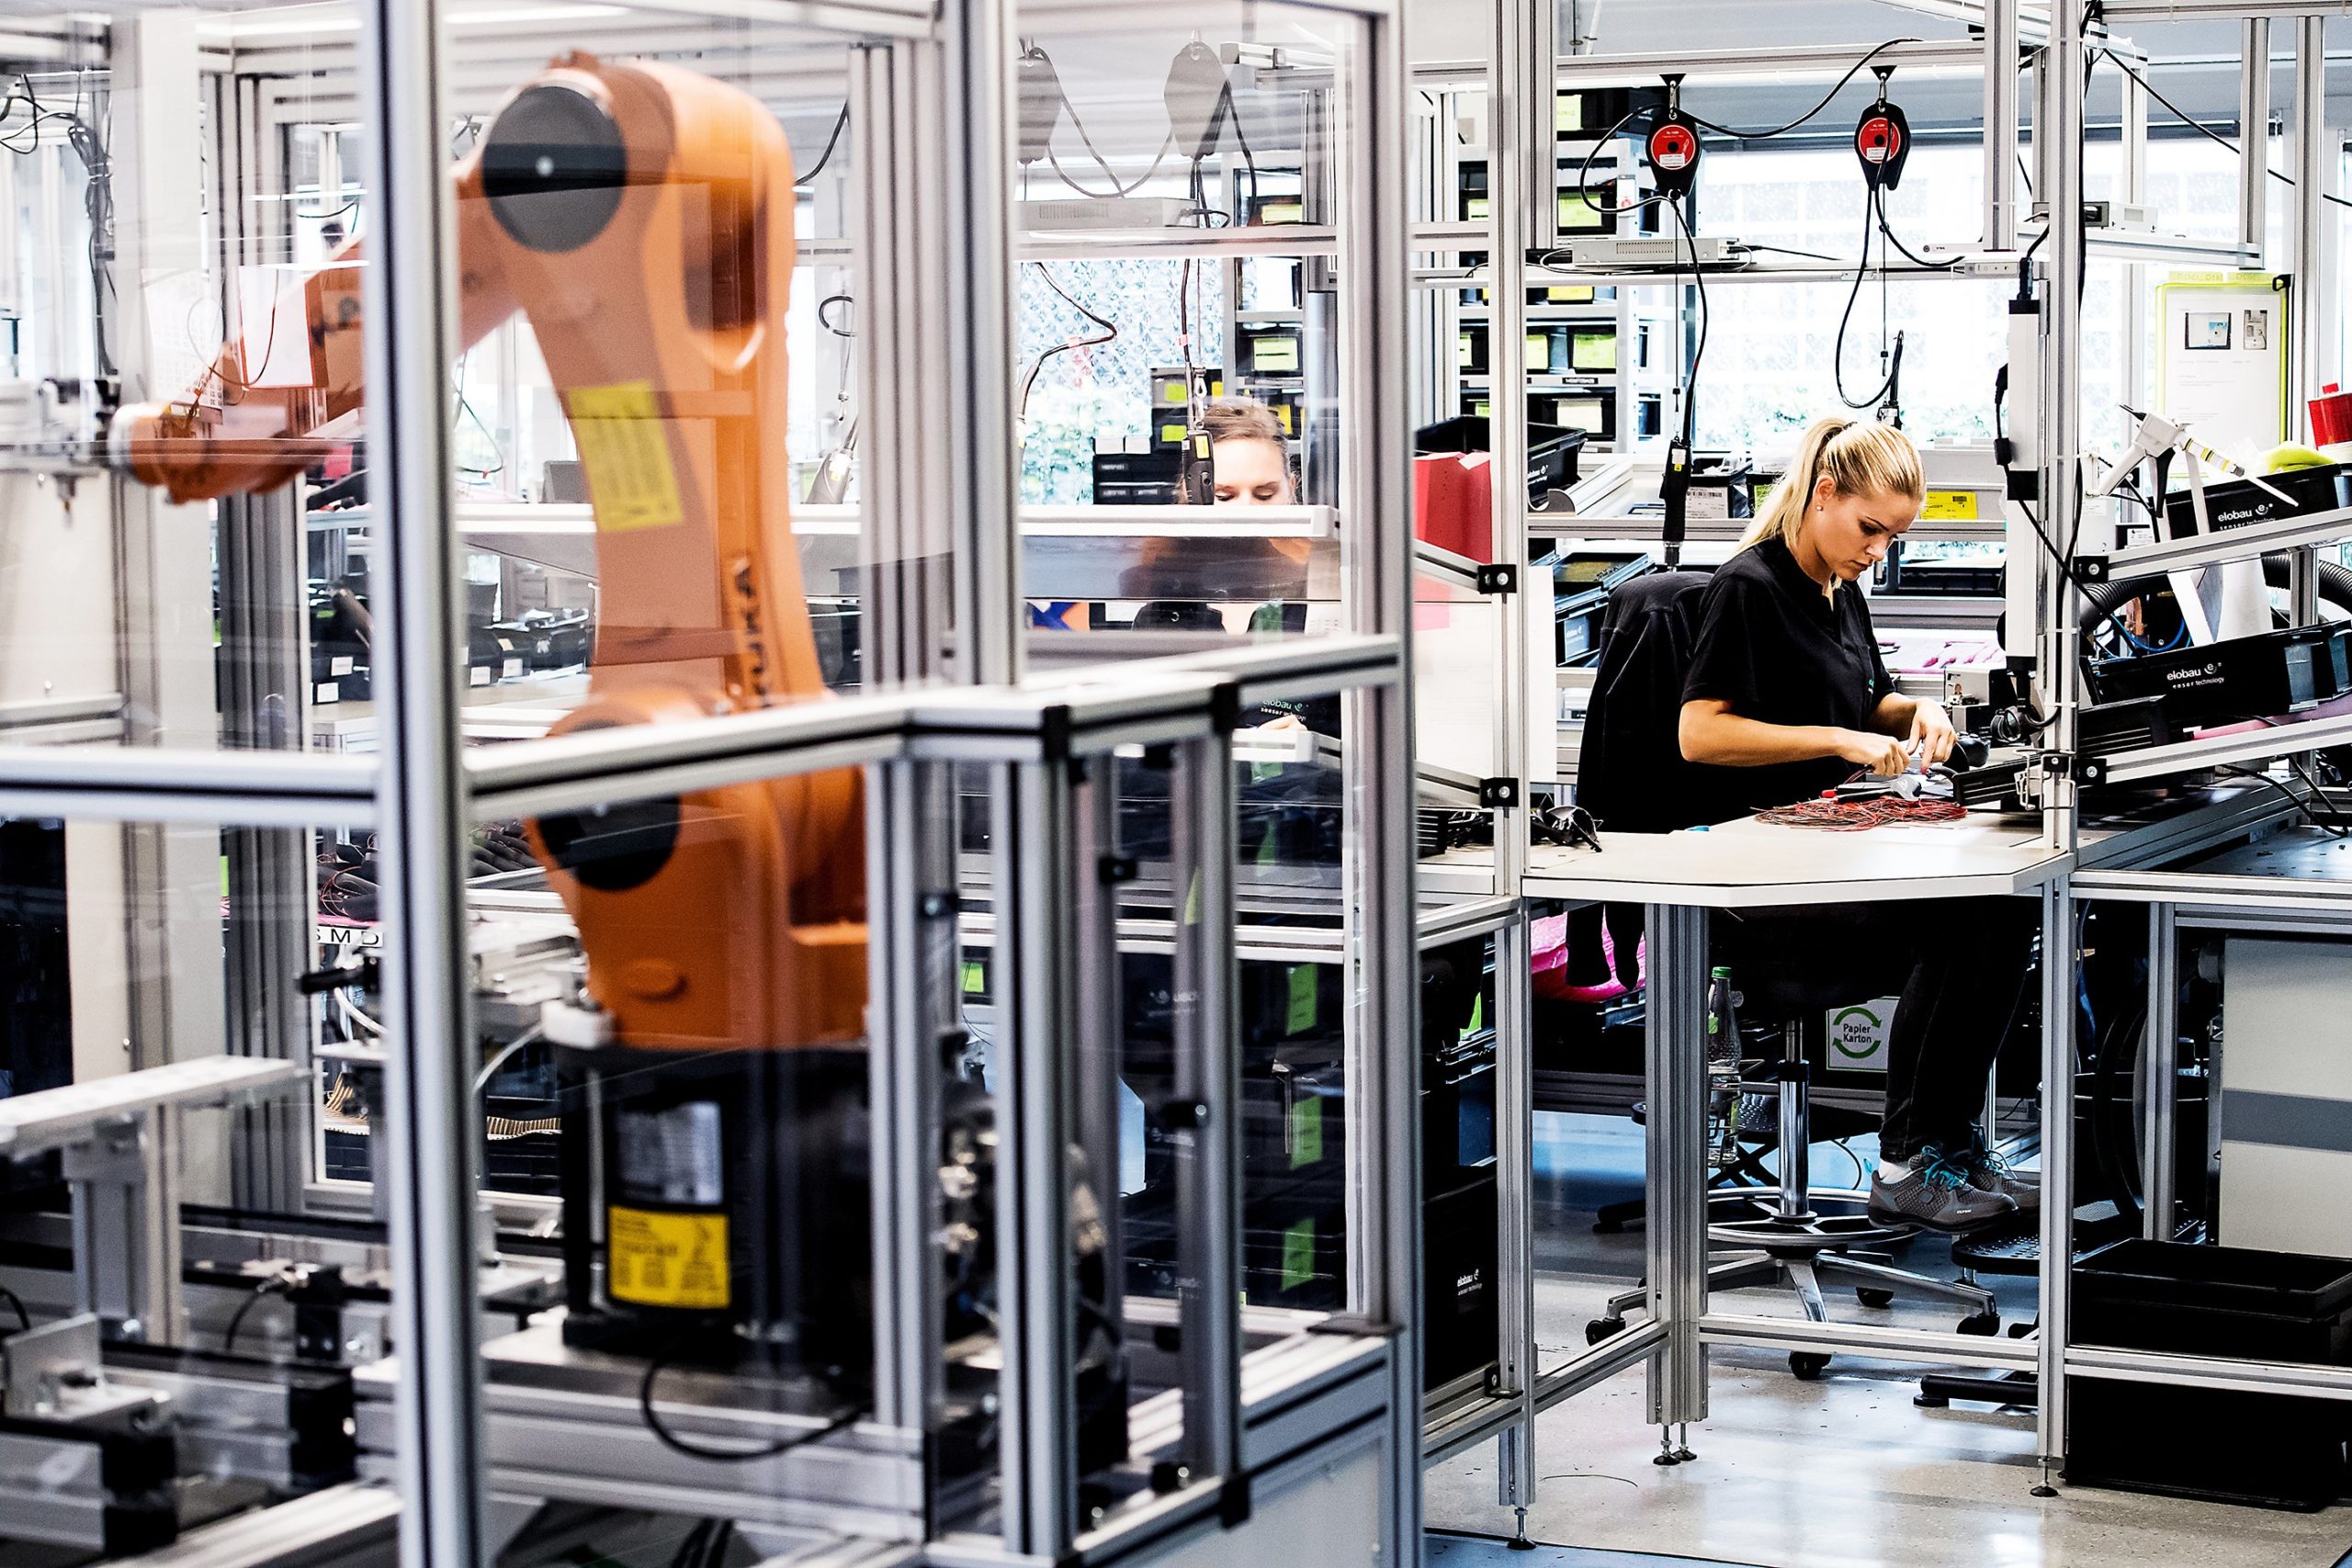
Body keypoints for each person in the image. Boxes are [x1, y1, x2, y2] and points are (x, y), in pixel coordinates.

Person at [1677, 413, 2038, 1233]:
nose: (1877, 550)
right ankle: (1909, 1159)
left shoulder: (1840, 591)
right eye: (1871, 528)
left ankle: (1948, 1143)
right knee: (1966, 923)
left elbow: (1866, 697)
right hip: (1756, 882)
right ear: (1824, 493)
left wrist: (1919, 712)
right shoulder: (1750, 587)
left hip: (1826, 853)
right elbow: (1700, 733)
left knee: (2006, 906)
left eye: (1892, 538)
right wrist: (1841, 739)